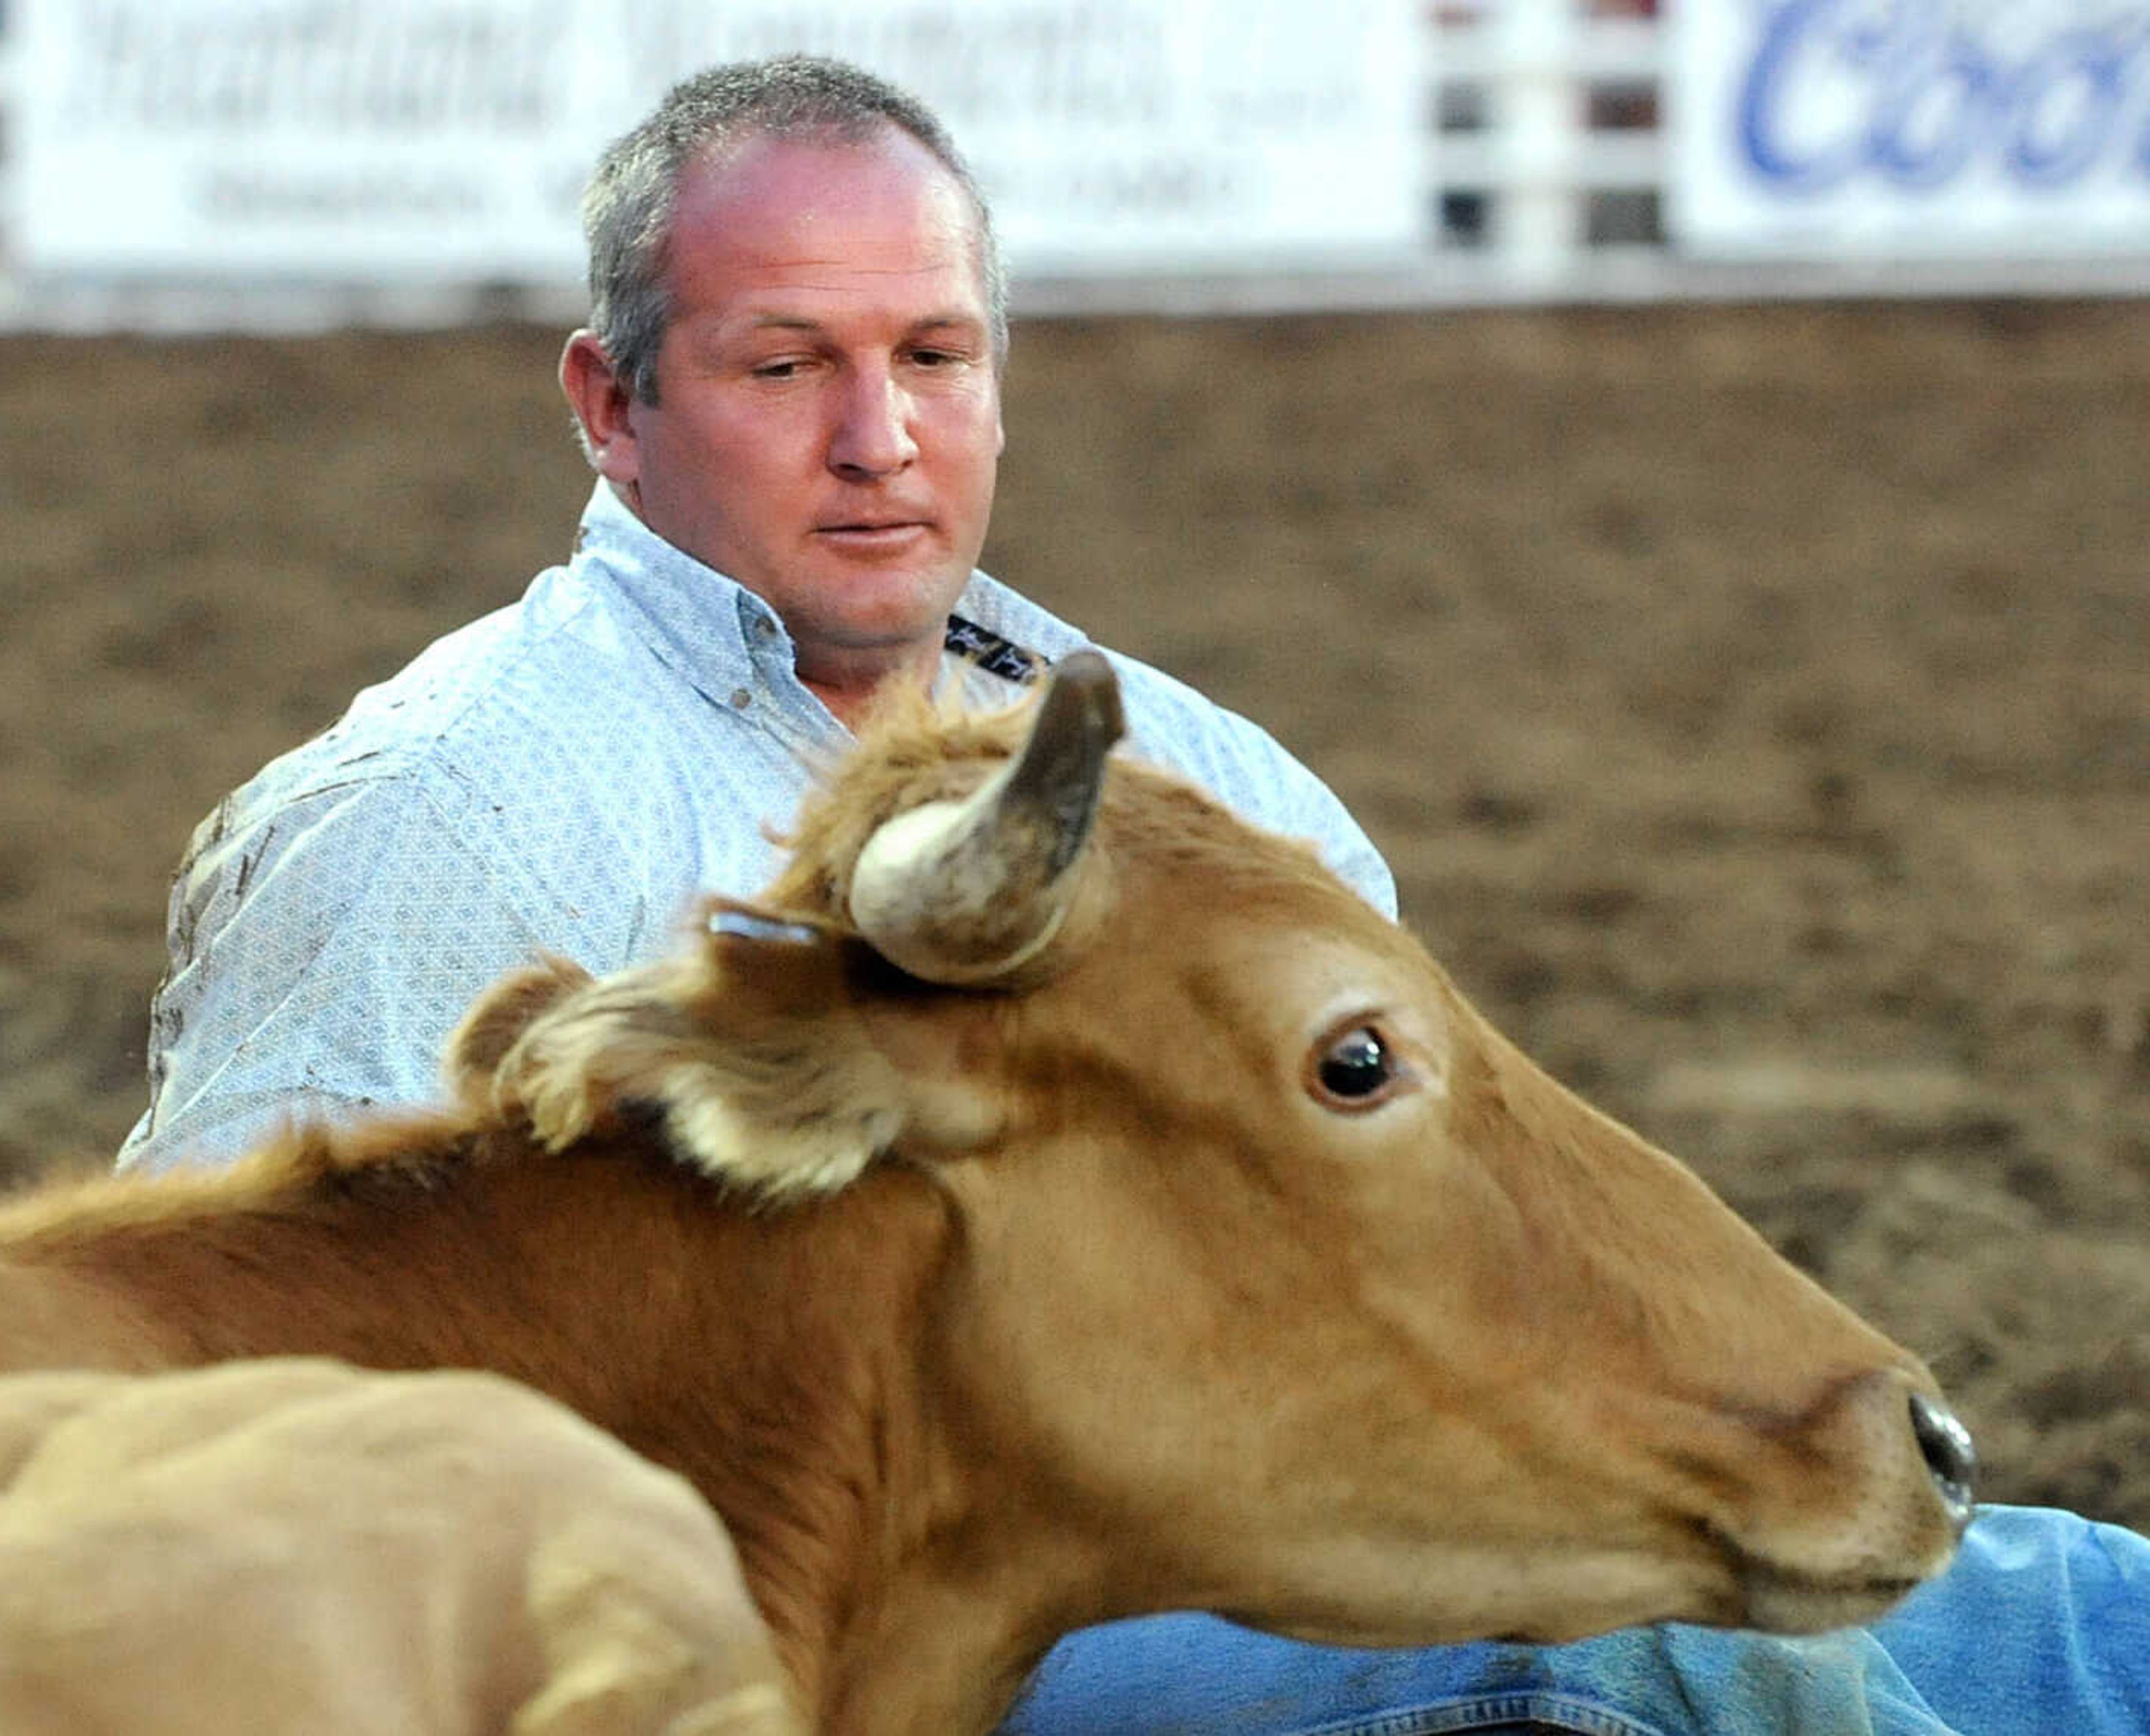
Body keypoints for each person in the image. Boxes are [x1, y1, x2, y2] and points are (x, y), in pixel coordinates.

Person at [120, 53, 2147, 1736]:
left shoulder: (1200, 776)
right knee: (1622, 1659)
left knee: (2093, 1619)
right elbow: (229, 1438)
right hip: (886, 1646)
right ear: (610, 404)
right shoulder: (444, 816)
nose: (879, 440)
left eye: (935, 354)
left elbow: (1434, 1250)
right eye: (782, 368)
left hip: (1293, 1519)